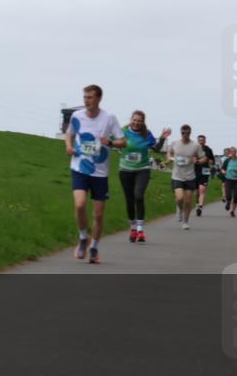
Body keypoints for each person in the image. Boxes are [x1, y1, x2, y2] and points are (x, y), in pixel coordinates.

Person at [64, 84, 125, 263]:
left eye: (90, 97)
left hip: (100, 173)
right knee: (80, 204)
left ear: (98, 99)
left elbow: (123, 141)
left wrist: (111, 143)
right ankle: (83, 238)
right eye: (85, 97)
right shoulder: (77, 116)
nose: (86, 101)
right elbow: (69, 134)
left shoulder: (109, 118)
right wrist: (68, 146)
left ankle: (94, 248)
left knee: (98, 214)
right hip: (79, 168)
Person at [118, 111, 168, 243]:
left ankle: (140, 230)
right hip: (125, 169)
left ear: (143, 122)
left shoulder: (147, 134)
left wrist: (162, 138)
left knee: (138, 195)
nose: (136, 123)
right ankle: (133, 228)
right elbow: (112, 141)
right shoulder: (123, 131)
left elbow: (156, 149)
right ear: (131, 120)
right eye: (134, 120)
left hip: (142, 169)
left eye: (139, 121)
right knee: (129, 199)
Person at [166, 124, 206, 230]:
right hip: (177, 176)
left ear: (190, 133)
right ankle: (179, 209)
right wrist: (170, 158)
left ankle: (185, 221)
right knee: (179, 198)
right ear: (181, 133)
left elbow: (204, 158)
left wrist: (197, 161)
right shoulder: (175, 143)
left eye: (187, 133)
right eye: (183, 133)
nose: (185, 135)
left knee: (188, 201)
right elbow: (169, 153)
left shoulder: (196, 146)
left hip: (190, 177)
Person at [221, 148, 237, 217]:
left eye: (234, 151)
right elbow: (222, 169)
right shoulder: (227, 161)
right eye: (232, 151)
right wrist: (224, 172)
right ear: (230, 152)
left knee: (235, 196)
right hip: (228, 179)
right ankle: (228, 202)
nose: (233, 153)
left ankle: (232, 211)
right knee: (228, 195)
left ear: (236, 152)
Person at [195, 134, 215, 217]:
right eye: (199, 140)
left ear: (205, 141)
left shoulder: (208, 149)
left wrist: (210, 162)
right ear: (197, 141)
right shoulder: (194, 149)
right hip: (195, 170)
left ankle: (200, 207)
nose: (201, 142)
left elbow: (212, 160)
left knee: (202, 189)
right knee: (197, 191)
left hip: (205, 170)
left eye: (202, 140)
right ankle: (197, 203)